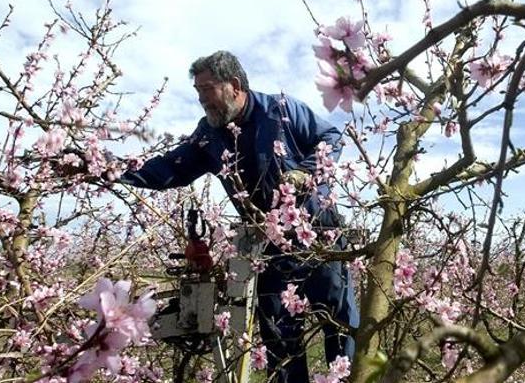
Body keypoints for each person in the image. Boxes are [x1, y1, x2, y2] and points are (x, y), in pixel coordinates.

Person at [119, 50, 359, 382]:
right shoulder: (209, 135)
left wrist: (306, 173)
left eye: (207, 89)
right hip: (270, 250)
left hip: (319, 236)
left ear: (234, 84)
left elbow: (331, 137)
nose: (202, 100)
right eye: (197, 91)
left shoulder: (282, 110)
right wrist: (108, 169)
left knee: (340, 325)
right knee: (279, 337)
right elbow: (168, 169)